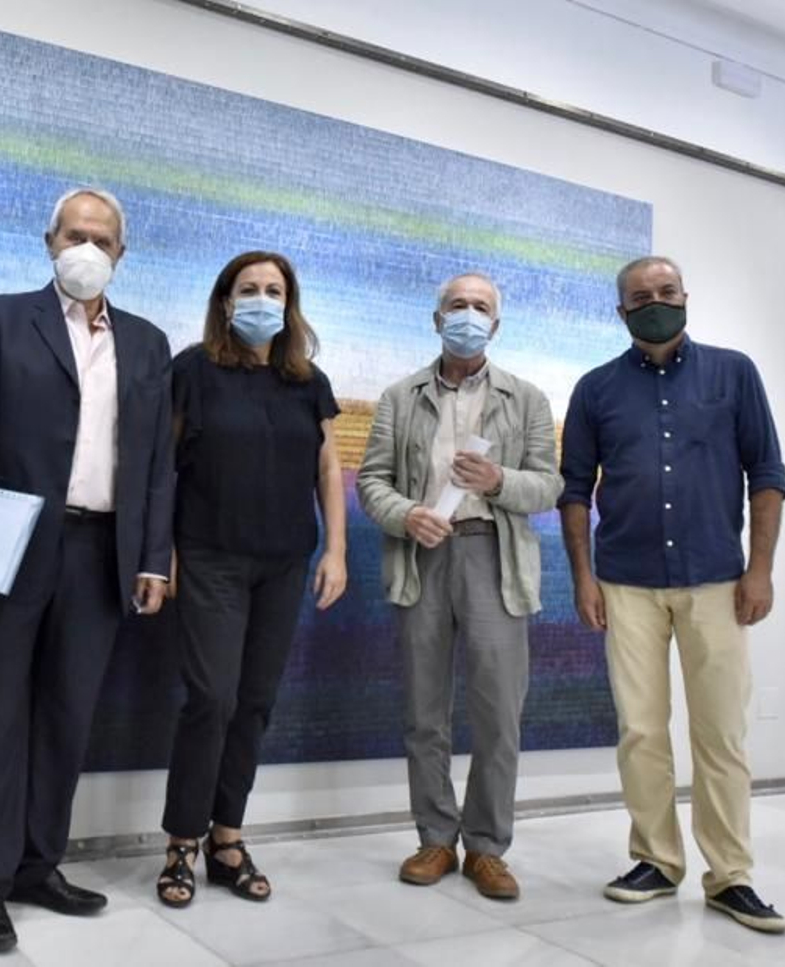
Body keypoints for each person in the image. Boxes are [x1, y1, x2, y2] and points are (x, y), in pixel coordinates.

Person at [0, 187, 173, 954]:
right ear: (49, 241)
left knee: (67, 718)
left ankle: (38, 864)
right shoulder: (1, 318)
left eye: (103, 239)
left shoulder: (147, 343)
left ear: (121, 255)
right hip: (9, 547)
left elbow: (159, 465)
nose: (89, 249)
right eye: (77, 234)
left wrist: (154, 557)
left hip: (102, 553)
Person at [559, 255, 785, 934]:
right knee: (640, 730)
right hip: (625, 583)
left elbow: (767, 471)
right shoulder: (596, 388)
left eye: (666, 291)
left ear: (685, 296)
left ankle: (731, 875)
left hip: (717, 578)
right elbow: (574, 489)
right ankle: (656, 859)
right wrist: (581, 576)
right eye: (641, 295)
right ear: (622, 310)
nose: (656, 301)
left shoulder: (734, 372)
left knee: (720, 730)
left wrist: (762, 568)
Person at [356, 272, 562, 901]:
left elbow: (549, 486)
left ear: (495, 326)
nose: (468, 315)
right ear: (436, 317)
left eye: (480, 308)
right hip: (423, 558)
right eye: (457, 306)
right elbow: (372, 481)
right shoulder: (399, 397)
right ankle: (435, 839)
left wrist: (499, 481)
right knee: (424, 712)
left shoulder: (525, 399)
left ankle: (488, 849)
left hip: (494, 560)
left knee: (498, 713)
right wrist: (404, 515)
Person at [155, 251, 347, 909]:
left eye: (274, 289)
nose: (261, 298)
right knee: (212, 697)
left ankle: (227, 838)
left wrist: (337, 551)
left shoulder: (306, 379)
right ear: (225, 299)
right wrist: (163, 553)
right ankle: (182, 839)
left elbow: (328, 471)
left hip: (285, 562)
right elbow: (163, 468)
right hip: (207, 557)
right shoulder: (192, 369)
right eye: (248, 288)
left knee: (256, 700)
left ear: (289, 303)